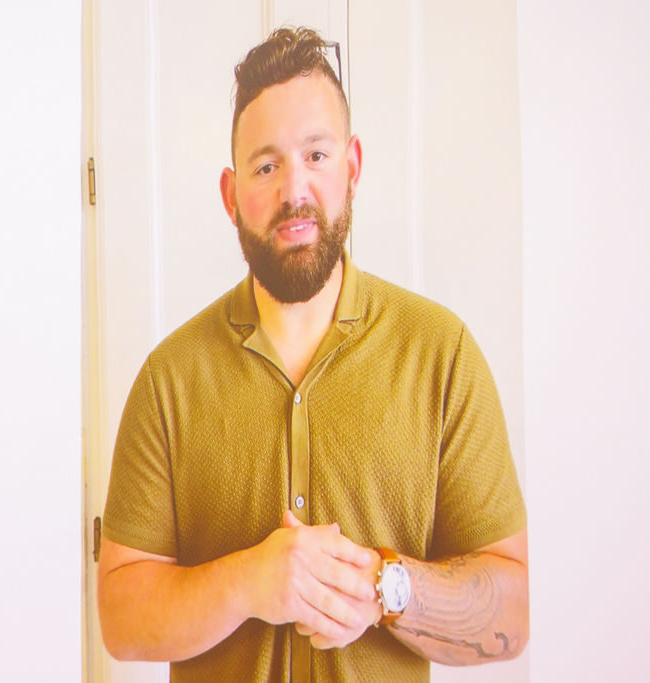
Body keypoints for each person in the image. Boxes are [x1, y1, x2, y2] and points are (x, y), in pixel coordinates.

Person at [97, 26, 528, 682]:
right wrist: (247, 581)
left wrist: (384, 587)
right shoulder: (169, 378)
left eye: (316, 155)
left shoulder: (442, 354)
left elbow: (513, 613)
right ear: (230, 195)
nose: (294, 191)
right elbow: (120, 620)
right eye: (266, 166)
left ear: (352, 166)